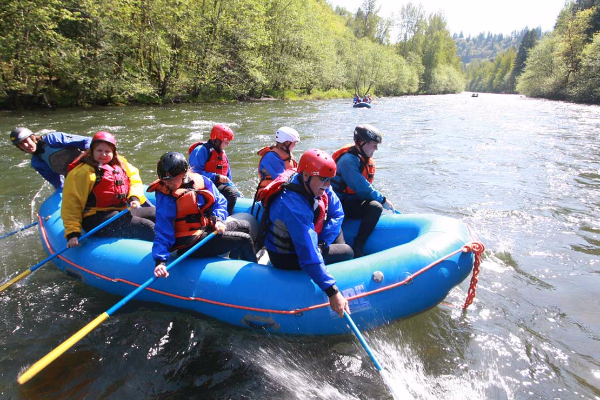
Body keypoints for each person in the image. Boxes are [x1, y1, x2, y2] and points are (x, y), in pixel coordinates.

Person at [259, 149, 353, 317]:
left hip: (309, 240)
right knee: (347, 252)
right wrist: (332, 292)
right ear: (306, 176)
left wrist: (323, 242)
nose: (327, 185)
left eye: (330, 180)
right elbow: (307, 255)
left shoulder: (319, 185)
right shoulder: (292, 205)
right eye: (323, 179)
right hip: (286, 255)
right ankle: (330, 277)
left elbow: (338, 213)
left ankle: (327, 266)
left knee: (336, 231)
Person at [150, 151, 257, 278]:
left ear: (183, 174)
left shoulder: (201, 181)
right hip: (188, 242)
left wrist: (218, 219)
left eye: (171, 180)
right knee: (244, 239)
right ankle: (254, 276)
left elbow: (220, 202)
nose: (167, 184)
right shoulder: (166, 196)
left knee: (245, 226)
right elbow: (163, 229)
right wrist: (160, 261)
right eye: (164, 180)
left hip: (204, 229)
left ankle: (234, 264)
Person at [62, 131, 155, 248]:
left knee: (157, 214)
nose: (103, 155)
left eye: (107, 151)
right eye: (99, 151)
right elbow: (72, 202)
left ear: (113, 152)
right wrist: (72, 233)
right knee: (147, 226)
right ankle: (161, 258)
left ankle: (179, 245)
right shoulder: (83, 172)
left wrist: (134, 197)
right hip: (96, 218)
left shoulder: (120, 163)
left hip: (120, 211)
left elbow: (134, 179)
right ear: (92, 151)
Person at [331, 124, 395, 258]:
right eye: (374, 144)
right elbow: (362, 188)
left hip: (351, 201)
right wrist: (383, 199)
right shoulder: (348, 161)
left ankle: (358, 246)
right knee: (378, 204)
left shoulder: (362, 158)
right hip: (337, 204)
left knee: (375, 207)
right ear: (361, 142)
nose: (376, 148)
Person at [9, 127, 91, 189]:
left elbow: (88, 140)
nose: (26, 146)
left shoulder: (53, 139)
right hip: (75, 179)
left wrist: (87, 156)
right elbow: (58, 184)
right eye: (21, 144)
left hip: (91, 167)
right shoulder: (37, 163)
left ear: (32, 138)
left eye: (26, 141)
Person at [188, 123, 239, 215]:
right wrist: (215, 177)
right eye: (226, 142)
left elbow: (228, 177)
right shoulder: (200, 151)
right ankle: (223, 219)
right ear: (217, 141)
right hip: (201, 185)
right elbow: (193, 173)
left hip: (215, 185)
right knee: (231, 193)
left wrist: (236, 190)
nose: (227, 145)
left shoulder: (222, 155)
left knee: (233, 191)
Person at [254, 126, 300, 200]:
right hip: (272, 194)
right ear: (287, 142)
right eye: (294, 143)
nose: (295, 145)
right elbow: (281, 179)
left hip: (283, 189)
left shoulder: (286, 154)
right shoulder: (271, 157)